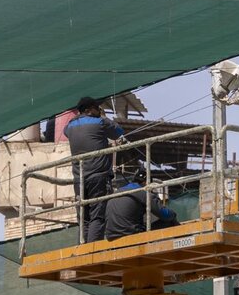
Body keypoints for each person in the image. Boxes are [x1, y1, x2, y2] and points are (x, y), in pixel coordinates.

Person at [64, 96, 124, 242]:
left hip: (79, 179)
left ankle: (83, 248)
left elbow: (67, 132)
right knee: (97, 215)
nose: (99, 110)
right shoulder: (100, 122)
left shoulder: (69, 126)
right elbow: (118, 132)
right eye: (97, 108)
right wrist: (103, 116)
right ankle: (92, 250)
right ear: (90, 109)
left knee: (84, 217)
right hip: (98, 176)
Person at [104, 166, 179, 241]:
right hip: (130, 234)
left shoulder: (117, 192)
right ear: (146, 182)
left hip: (111, 236)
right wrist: (174, 214)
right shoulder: (142, 192)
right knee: (170, 221)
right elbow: (165, 214)